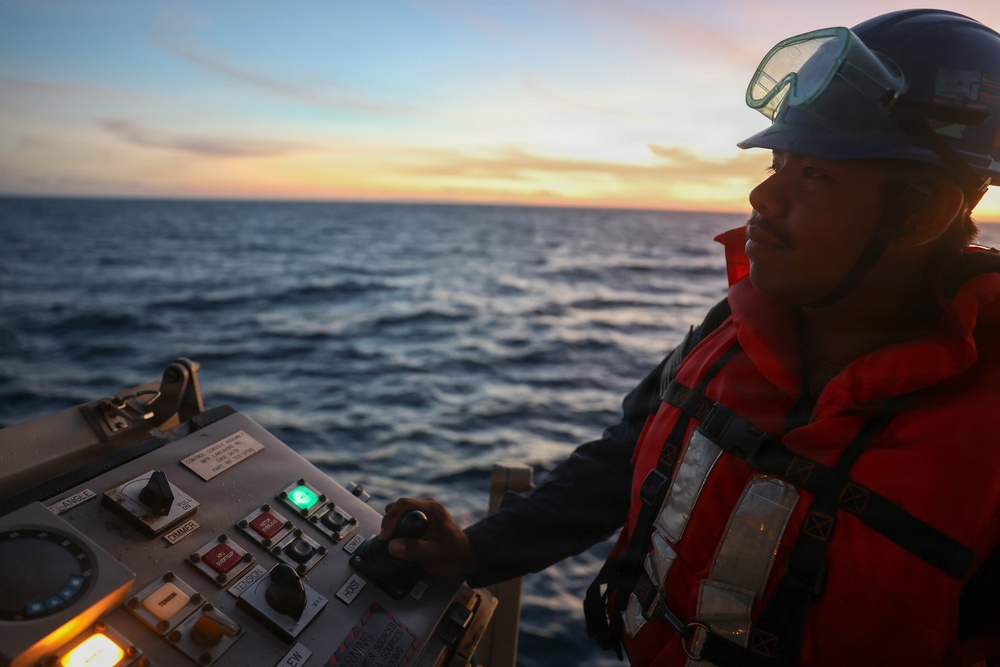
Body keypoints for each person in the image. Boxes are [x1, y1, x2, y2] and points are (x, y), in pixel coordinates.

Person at [382, 9, 1000, 666]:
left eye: (814, 173)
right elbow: (626, 456)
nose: (763, 196)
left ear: (924, 211)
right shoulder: (728, 330)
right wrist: (479, 550)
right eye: (777, 159)